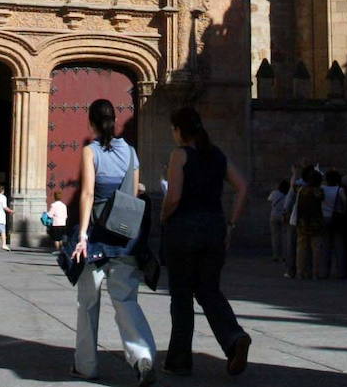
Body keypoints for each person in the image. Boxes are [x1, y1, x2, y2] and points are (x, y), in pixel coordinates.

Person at [70, 98, 157, 384]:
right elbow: (133, 192)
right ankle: (143, 356)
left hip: (96, 237)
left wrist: (83, 235)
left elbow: (87, 195)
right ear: (115, 120)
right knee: (126, 299)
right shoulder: (131, 152)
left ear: (91, 122)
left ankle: (86, 366)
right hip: (125, 237)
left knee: (88, 302)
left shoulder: (90, 151)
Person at [160, 106, 251, 377]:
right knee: (209, 290)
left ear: (180, 130)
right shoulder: (217, 155)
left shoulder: (180, 155)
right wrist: (231, 224)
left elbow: (174, 197)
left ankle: (179, 362)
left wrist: (164, 216)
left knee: (182, 296)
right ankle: (234, 338)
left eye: (174, 129)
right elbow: (243, 187)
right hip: (214, 230)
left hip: (184, 230)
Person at [292, 167, 324, 280]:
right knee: (316, 249)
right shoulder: (319, 191)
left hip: (302, 222)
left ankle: (300, 272)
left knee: (301, 248)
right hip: (316, 223)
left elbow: (293, 186)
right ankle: (316, 273)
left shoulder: (301, 190)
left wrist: (294, 174)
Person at [318, 169, 347, 278]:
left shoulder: (322, 188)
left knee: (325, 246)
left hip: (324, 217)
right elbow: (345, 203)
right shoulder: (340, 190)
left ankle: (325, 271)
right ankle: (341, 271)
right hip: (336, 218)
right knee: (339, 246)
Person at [265, 179, 289, 262]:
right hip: (283, 216)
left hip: (273, 216)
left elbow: (269, 201)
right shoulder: (287, 195)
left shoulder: (274, 193)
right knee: (284, 237)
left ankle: (275, 255)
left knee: (275, 237)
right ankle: (284, 256)